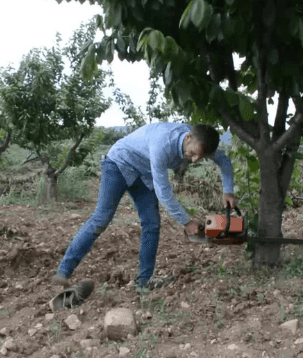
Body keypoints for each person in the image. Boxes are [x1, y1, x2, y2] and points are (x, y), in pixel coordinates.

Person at [52, 122, 237, 291]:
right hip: (118, 164)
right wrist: (187, 222)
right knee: (101, 218)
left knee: (152, 223)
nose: (195, 160)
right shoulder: (162, 144)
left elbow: (224, 161)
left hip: (142, 174)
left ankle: (144, 282)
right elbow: (164, 192)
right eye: (193, 154)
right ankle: (63, 272)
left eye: (201, 157)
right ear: (188, 137)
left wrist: (228, 191)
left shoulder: (202, 142)